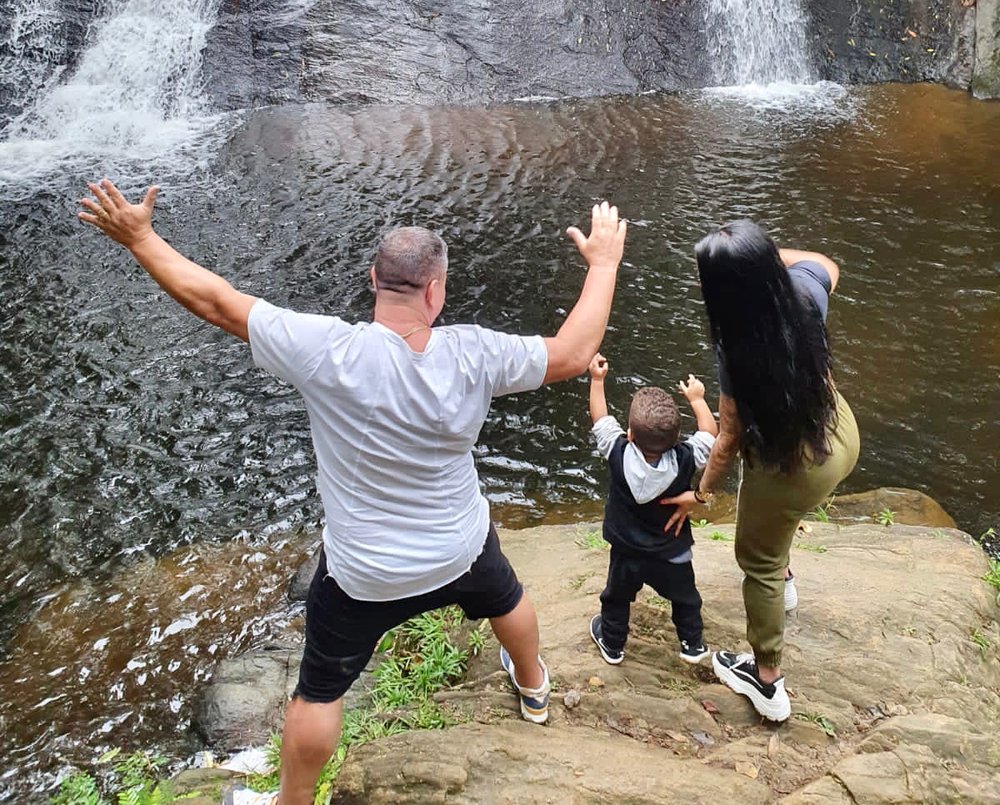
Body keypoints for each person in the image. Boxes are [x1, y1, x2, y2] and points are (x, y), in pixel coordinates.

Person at [78, 180, 627, 805]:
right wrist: (604, 263)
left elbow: (218, 303)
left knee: (318, 691)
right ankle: (533, 690)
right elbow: (574, 350)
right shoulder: (476, 354)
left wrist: (141, 237)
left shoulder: (326, 352)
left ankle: (291, 803)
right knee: (507, 597)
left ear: (373, 279)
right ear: (436, 289)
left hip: (363, 574)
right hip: (460, 549)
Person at [662, 219, 860, 723]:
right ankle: (787, 570)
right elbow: (827, 264)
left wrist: (700, 495)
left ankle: (766, 681)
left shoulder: (735, 346)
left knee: (757, 561)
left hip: (795, 467)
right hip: (840, 436)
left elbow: (726, 441)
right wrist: (767, 261)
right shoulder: (803, 291)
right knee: (777, 515)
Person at [586, 352, 718, 667]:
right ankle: (692, 644)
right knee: (686, 598)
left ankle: (613, 644)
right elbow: (710, 434)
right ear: (676, 439)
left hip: (626, 552)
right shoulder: (685, 457)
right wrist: (697, 400)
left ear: (630, 434)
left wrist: (597, 380)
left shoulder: (617, 452)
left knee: (616, 599)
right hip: (672, 553)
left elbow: (600, 419)